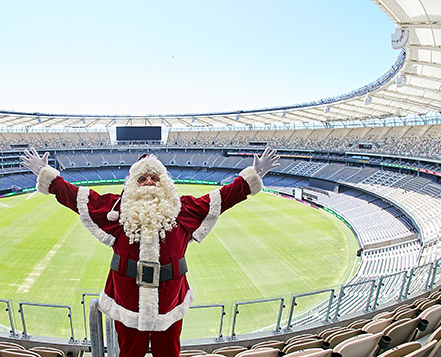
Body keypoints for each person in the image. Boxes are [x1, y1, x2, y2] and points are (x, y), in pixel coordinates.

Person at [20, 148, 280, 357]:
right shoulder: (116, 210)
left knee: (169, 353)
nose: (148, 182)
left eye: (154, 178)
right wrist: (46, 175)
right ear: (133, 184)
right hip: (127, 300)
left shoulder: (183, 210)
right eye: (142, 178)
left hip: (169, 300)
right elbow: (75, 196)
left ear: (164, 182)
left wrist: (252, 175)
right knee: (129, 353)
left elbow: (222, 198)